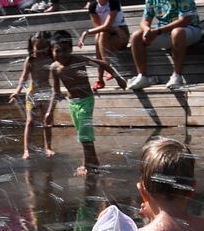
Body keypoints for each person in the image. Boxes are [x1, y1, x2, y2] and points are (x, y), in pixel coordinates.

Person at [46, 29, 127, 175]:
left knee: (84, 135)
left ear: (71, 49)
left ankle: (87, 166)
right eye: (57, 51)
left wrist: (118, 78)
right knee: (84, 135)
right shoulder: (54, 68)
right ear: (52, 52)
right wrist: (49, 111)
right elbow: (56, 92)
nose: (61, 55)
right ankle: (94, 163)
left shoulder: (79, 60)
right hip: (73, 103)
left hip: (86, 101)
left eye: (65, 51)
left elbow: (103, 64)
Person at [127, 0, 204, 91]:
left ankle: (177, 75)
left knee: (177, 32)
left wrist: (157, 31)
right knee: (136, 36)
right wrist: (147, 30)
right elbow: (145, 20)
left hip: (190, 30)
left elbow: (185, 20)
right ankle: (142, 76)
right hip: (163, 32)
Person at [9, 31, 56, 159]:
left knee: (47, 121)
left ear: (48, 47)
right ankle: (26, 150)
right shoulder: (30, 60)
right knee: (30, 122)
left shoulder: (50, 58)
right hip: (33, 92)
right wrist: (18, 91)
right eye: (37, 48)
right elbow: (23, 77)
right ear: (32, 47)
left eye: (43, 48)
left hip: (46, 91)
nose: (40, 51)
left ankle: (48, 147)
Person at [81, 0, 129, 89]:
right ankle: (104, 73)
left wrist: (86, 32)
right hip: (108, 35)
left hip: (121, 35)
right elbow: (99, 27)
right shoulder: (93, 6)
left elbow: (107, 25)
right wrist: (112, 29)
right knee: (100, 36)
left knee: (101, 35)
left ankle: (101, 77)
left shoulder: (113, 1)